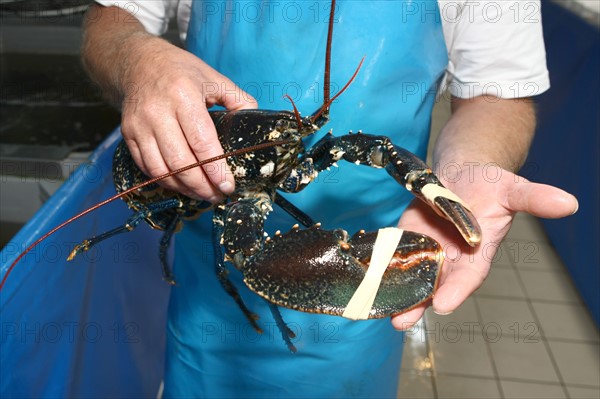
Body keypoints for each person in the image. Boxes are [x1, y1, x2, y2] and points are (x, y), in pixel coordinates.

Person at [82, 0, 578, 397]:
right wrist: (136, 57)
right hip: (208, 282)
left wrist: (467, 171)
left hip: (378, 263)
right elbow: (111, 19)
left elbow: (498, 93)